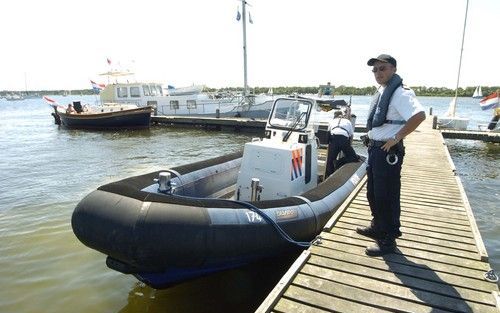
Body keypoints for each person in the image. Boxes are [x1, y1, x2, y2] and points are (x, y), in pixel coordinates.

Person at [357, 54, 426, 256]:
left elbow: (419, 116)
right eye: (375, 70)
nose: (378, 73)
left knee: (387, 196)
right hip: (375, 150)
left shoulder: (400, 93)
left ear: (394, 69)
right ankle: (377, 226)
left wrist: (396, 138)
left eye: (383, 68)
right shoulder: (383, 90)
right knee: (373, 193)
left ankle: (388, 240)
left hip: (388, 153)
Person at [324, 110, 358, 178]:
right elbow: (351, 135)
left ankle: (329, 176)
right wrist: (349, 146)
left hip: (334, 139)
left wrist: (328, 144)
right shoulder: (348, 121)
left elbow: (328, 134)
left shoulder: (332, 121)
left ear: (335, 116)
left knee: (330, 160)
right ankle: (339, 162)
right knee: (354, 157)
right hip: (344, 139)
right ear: (342, 115)